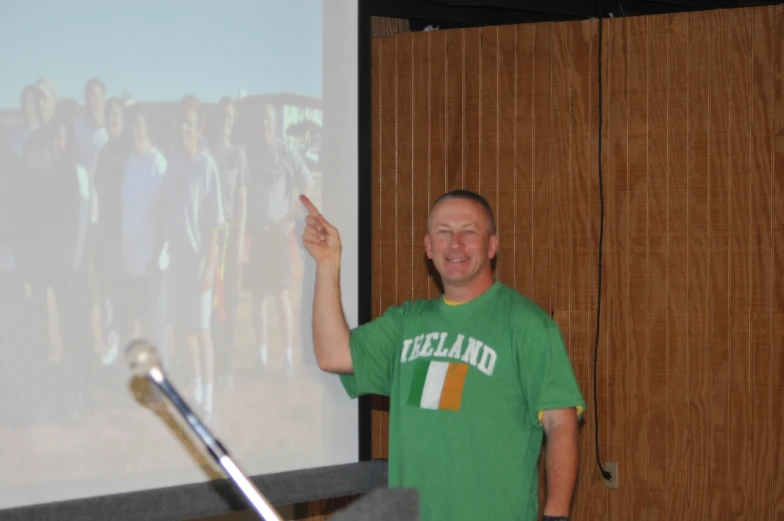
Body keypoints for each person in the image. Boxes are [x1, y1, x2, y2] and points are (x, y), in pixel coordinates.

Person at [299, 189, 586, 521]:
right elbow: (333, 355)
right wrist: (327, 262)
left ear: (492, 246)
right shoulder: (405, 323)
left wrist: (556, 515)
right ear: (428, 246)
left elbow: (561, 424)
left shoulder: (529, 325)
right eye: (444, 232)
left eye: (469, 232)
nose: (456, 244)